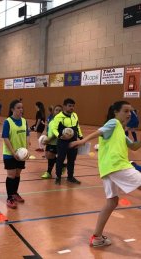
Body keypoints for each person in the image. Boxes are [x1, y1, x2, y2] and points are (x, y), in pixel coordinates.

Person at [70, 101, 141, 247]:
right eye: (126, 111)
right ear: (116, 112)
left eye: (131, 111)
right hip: (117, 165)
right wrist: (83, 141)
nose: (129, 114)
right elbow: (99, 131)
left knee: (112, 202)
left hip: (108, 170)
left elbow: (133, 147)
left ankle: (96, 238)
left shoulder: (120, 130)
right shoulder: (113, 122)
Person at [2, 99, 30, 209]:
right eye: (18, 108)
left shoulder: (24, 121)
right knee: (11, 175)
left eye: (22, 107)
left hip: (21, 153)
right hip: (10, 154)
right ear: (12, 109)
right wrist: (13, 153)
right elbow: (5, 137)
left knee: (18, 174)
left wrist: (26, 150)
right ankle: (9, 198)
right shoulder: (7, 122)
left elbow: (27, 135)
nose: (21, 109)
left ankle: (15, 193)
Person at [52, 98, 83, 185]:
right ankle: (58, 177)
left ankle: (70, 177)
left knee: (72, 160)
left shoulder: (75, 115)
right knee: (60, 160)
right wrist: (59, 136)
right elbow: (54, 129)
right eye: (70, 106)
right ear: (64, 106)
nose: (72, 108)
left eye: (73, 106)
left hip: (73, 142)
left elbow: (78, 127)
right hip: (62, 142)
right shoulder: (58, 117)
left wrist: (81, 137)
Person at [41, 105, 63, 179]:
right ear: (53, 111)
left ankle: (48, 172)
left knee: (50, 156)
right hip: (49, 141)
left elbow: (56, 133)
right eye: (56, 110)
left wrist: (48, 140)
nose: (58, 112)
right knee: (47, 155)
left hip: (55, 142)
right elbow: (49, 130)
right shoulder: (52, 120)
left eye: (60, 110)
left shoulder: (61, 121)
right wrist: (46, 136)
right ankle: (62, 165)